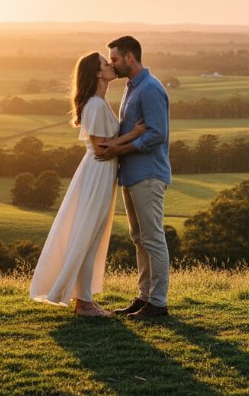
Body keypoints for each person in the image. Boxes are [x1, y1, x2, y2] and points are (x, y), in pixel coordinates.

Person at [29, 52, 146, 316]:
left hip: (103, 173)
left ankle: (85, 300)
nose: (112, 66)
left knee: (92, 234)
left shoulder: (100, 102)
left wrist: (125, 139)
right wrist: (134, 135)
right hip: (97, 173)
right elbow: (100, 149)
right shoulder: (93, 105)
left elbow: (105, 146)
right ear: (96, 73)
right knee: (87, 233)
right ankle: (83, 303)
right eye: (106, 64)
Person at [96, 36, 171, 318]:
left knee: (153, 238)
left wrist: (118, 147)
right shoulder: (132, 87)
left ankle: (159, 302)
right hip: (132, 174)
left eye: (114, 59)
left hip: (148, 174)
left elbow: (156, 134)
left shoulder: (150, 88)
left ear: (130, 57)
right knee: (139, 238)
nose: (112, 65)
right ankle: (144, 297)